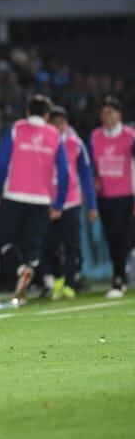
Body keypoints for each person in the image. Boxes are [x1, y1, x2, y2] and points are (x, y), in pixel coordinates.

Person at [0, 95, 69, 308]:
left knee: (5, 242)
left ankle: (19, 273)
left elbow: (1, 163)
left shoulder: (16, 129)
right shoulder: (54, 134)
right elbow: (64, 172)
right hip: (42, 200)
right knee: (32, 248)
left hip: (14, 196)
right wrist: (59, 203)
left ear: (27, 112)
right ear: (47, 115)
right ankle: (26, 280)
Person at [41, 106, 97, 300]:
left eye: (62, 122)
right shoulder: (42, 143)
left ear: (67, 124)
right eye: (55, 122)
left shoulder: (75, 144)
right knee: (48, 246)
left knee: (72, 245)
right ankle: (58, 278)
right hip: (47, 202)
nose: (59, 126)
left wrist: (91, 205)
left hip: (71, 202)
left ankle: (70, 285)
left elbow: (86, 176)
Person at [89, 96, 135, 299]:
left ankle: (118, 277)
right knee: (111, 237)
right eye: (103, 113)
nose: (106, 117)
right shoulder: (95, 137)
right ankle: (120, 274)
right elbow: (89, 166)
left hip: (127, 194)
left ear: (119, 114)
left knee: (122, 236)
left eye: (110, 112)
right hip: (105, 196)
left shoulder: (130, 136)